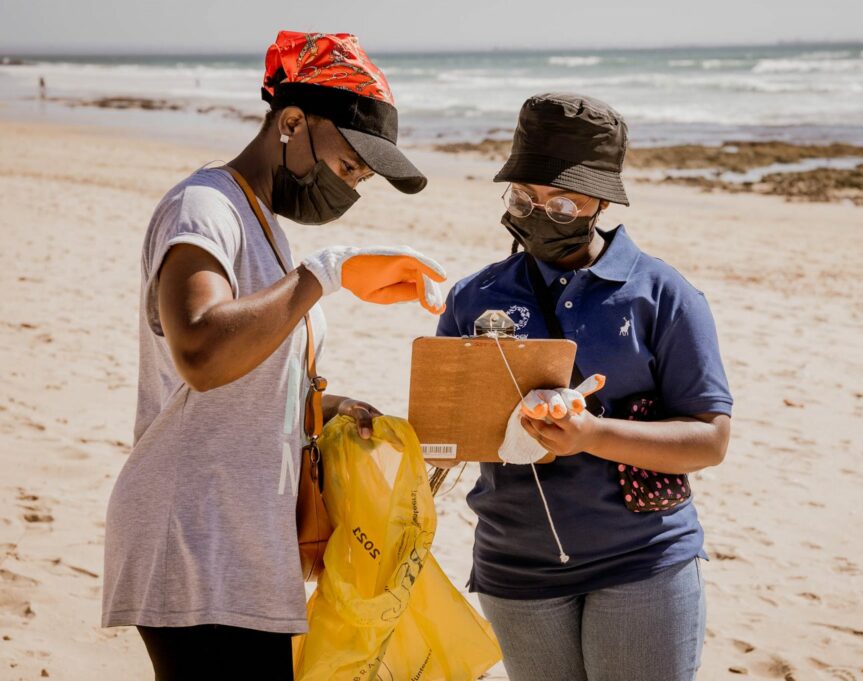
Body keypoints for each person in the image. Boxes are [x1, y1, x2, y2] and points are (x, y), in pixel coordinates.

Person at [101, 31, 445, 681]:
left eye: (361, 179)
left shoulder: (263, 223)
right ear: (292, 121)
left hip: (245, 542)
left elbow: (249, 378)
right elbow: (201, 351)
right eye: (349, 166)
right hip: (194, 536)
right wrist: (327, 272)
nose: (350, 187)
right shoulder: (204, 207)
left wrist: (332, 407)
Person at [435, 93, 733, 681]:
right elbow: (446, 432)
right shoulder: (474, 299)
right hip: (515, 569)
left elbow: (710, 441)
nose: (540, 212)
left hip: (642, 561)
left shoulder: (662, 295)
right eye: (525, 197)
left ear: (599, 199)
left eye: (564, 201)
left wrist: (590, 433)